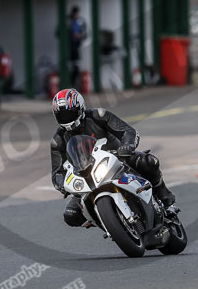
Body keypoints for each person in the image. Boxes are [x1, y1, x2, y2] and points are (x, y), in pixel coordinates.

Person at [50, 88, 175, 228]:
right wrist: (63, 185)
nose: (67, 119)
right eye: (62, 116)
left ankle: (166, 199)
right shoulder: (58, 140)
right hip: (86, 176)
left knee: (148, 162)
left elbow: (127, 131)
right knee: (70, 215)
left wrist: (127, 146)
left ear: (80, 109)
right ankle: (107, 222)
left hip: (119, 160)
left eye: (69, 113)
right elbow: (57, 172)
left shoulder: (99, 115)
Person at [67, 7, 86, 89]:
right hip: (69, 48)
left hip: (77, 47)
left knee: (77, 66)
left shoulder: (80, 22)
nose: (77, 16)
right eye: (75, 14)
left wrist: (81, 36)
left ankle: (75, 85)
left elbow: (85, 33)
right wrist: (72, 35)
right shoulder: (68, 22)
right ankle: (70, 84)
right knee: (71, 67)